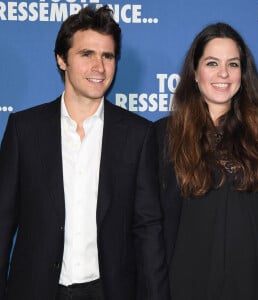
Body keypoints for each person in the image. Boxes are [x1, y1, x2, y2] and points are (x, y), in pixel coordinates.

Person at [0, 5, 170, 300]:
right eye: (87, 54)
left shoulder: (138, 134)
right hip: (35, 290)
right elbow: (3, 221)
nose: (99, 67)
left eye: (108, 56)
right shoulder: (24, 129)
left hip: (109, 291)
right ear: (61, 59)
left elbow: (147, 228)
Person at [155, 22, 258, 300]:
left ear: (243, 74)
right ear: (195, 73)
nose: (223, 73)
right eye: (212, 63)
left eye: (233, 64)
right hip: (188, 280)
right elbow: (153, 224)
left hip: (252, 279)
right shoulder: (165, 135)